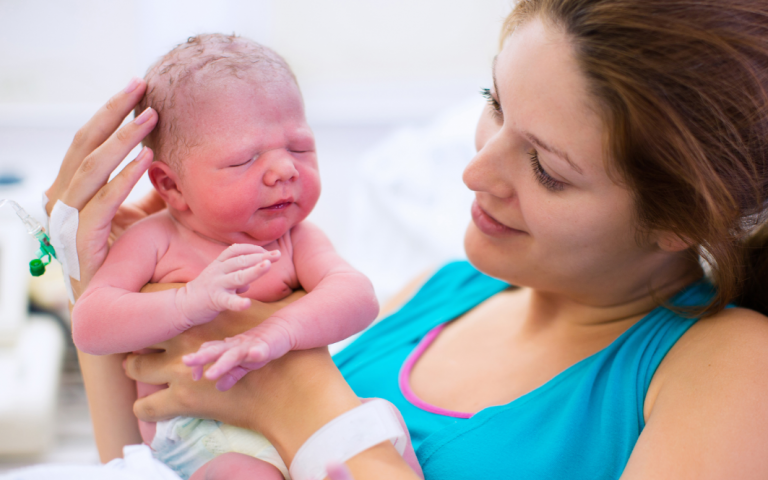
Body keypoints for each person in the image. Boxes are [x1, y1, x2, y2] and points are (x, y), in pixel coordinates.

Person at [42, 0, 768, 478]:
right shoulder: (439, 292)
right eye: (495, 103)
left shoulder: (732, 369)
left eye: (545, 167)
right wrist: (101, 272)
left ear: (681, 217)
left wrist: (303, 402)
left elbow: (292, 402)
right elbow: (145, 460)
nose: (475, 169)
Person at [69, 34, 387, 480]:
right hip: (200, 438)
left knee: (380, 421)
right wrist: (186, 303)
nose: (285, 169)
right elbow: (90, 324)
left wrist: (278, 332)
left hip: (297, 419)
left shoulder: (296, 239)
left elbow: (357, 296)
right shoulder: (154, 239)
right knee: (243, 473)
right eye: (246, 159)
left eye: (299, 148)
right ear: (171, 186)